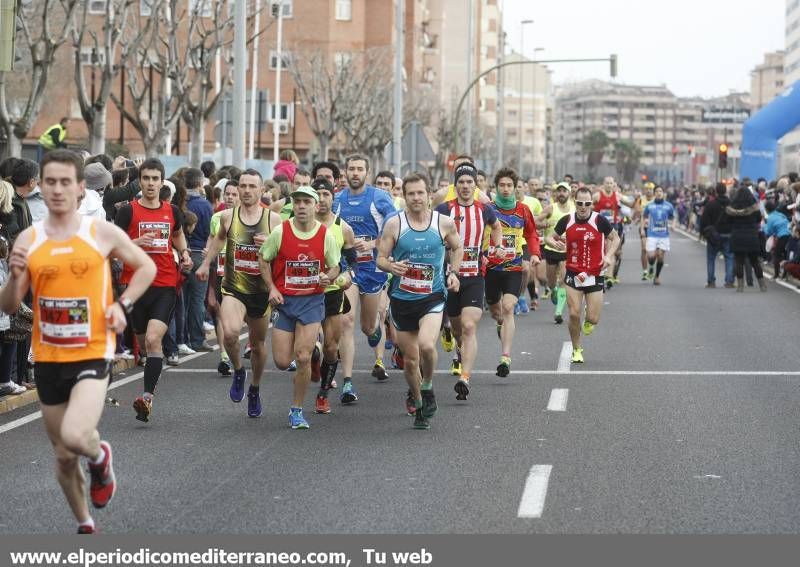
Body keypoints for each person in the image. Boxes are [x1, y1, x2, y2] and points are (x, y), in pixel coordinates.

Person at [0, 149, 156, 534]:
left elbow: (146, 266)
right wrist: (13, 276)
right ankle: (86, 522)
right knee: (64, 456)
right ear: (42, 187)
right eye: (49, 181)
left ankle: (100, 455)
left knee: (74, 435)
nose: (56, 189)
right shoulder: (29, 238)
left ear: (80, 188)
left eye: (64, 182)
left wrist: (123, 303)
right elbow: (9, 303)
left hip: (92, 349)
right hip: (49, 355)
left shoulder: (98, 232)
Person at [376, 173, 462, 429]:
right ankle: (416, 399)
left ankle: (427, 387)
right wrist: (392, 267)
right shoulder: (394, 224)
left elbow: (457, 248)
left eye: (420, 193)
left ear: (429, 194)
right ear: (404, 196)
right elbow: (380, 258)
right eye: (410, 193)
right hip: (402, 299)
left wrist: (454, 273)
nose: (415, 198)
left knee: (426, 345)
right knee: (411, 360)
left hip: (432, 296)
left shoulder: (443, 223)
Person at [196, 170, 282, 418]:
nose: (246, 190)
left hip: (261, 291)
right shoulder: (226, 216)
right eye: (242, 185)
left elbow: (284, 253)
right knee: (231, 334)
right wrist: (205, 264)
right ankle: (238, 370)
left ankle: (254, 387)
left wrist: (270, 244)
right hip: (234, 287)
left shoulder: (274, 220)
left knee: (257, 345)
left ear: (261, 190)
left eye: (251, 186)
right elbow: (219, 240)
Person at [115, 158, 192, 422]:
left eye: (155, 179)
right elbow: (115, 244)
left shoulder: (172, 211)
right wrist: (135, 241)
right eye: (146, 178)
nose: (150, 183)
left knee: (152, 339)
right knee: (142, 345)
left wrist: (184, 253)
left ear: (162, 181)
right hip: (135, 285)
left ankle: (147, 398)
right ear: (140, 181)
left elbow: (178, 234)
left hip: (165, 284)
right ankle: (149, 369)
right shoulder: (128, 211)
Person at [259, 185, 342, 429]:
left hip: (311, 302)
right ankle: (315, 355)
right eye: (298, 202)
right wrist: (271, 288)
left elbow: (335, 265)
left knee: (302, 357)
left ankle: (296, 410)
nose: (302, 206)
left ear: (316, 206)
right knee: (283, 362)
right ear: (293, 206)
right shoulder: (280, 232)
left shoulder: (325, 234)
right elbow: (263, 260)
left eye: (307, 202)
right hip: (285, 302)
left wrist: (329, 276)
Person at [435, 163, 503, 401]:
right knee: (457, 329)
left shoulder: (484, 210)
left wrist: (496, 246)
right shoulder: (444, 209)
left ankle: (464, 377)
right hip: (448, 276)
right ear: (456, 185)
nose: (465, 186)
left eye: (470, 183)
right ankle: (457, 346)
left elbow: (496, 227)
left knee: (470, 326)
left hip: (474, 275)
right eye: (461, 182)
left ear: (476, 186)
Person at [332, 154, 396, 405]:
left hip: (373, 269)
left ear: (367, 173)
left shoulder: (379, 198)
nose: (355, 173)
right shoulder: (337, 200)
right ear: (345, 172)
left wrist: (370, 243)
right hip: (349, 269)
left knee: (368, 327)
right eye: (351, 169)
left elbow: (394, 231)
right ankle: (347, 381)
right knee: (346, 320)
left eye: (360, 169)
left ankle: (376, 331)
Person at [546, 187, 620, 364]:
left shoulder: (599, 220)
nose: (583, 207)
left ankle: (589, 320)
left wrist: (608, 256)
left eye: (587, 204)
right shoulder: (567, 220)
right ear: (574, 201)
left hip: (594, 273)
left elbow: (615, 238)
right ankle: (577, 349)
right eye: (579, 203)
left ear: (591, 204)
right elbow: (549, 237)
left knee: (593, 319)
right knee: (573, 314)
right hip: (573, 273)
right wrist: (554, 243)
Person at [486, 167, 540, 378]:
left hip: (513, 267)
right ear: (496, 187)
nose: (506, 189)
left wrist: (534, 254)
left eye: (510, 185)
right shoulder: (487, 209)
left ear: (516, 188)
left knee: (509, 307)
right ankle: (500, 323)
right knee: (496, 312)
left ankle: (505, 357)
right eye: (502, 185)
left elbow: (532, 234)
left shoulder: (523, 210)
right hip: (490, 268)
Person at [311, 177, 357, 415]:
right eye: (316, 194)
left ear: (332, 198)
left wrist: (349, 275)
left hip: (332, 291)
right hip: (304, 293)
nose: (321, 199)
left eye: (325, 194)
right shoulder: (296, 225)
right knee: (305, 347)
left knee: (331, 347)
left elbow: (351, 261)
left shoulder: (343, 228)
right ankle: (311, 359)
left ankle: (323, 393)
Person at [206, 180, 240, 376]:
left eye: (234, 194)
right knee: (220, 313)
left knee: (238, 317)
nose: (230, 197)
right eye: (227, 193)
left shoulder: (248, 218)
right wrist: (208, 251)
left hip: (241, 274)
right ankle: (224, 356)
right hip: (220, 272)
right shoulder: (217, 217)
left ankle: (243, 347)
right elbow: (212, 240)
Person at [182, 168, 214, 352]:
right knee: (197, 300)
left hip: (183, 254)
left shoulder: (181, 202)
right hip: (200, 254)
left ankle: (182, 338)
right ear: (200, 183)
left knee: (182, 301)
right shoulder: (205, 205)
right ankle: (196, 339)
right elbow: (212, 232)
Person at [539, 182, 575, 324]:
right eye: (559, 191)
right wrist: (545, 224)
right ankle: (552, 290)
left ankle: (558, 311)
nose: (561, 193)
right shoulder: (550, 208)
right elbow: (536, 222)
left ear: (569, 193)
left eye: (564, 191)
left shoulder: (574, 208)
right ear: (555, 194)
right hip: (551, 248)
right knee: (552, 281)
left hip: (568, 249)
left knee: (564, 279)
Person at [593, 176, 634, 287]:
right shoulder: (597, 196)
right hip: (597, 227)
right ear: (603, 184)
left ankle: (609, 277)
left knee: (610, 251)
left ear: (613, 184)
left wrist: (636, 200)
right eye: (607, 183)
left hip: (612, 227)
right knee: (599, 251)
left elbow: (631, 204)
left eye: (611, 183)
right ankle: (598, 273)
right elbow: (587, 207)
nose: (609, 185)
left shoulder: (617, 196)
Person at [726, 184, 767, 292]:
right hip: (751, 236)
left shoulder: (732, 207)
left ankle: (740, 286)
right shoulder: (754, 206)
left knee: (739, 261)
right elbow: (759, 219)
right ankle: (762, 285)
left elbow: (728, 221)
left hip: (737, 236)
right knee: (755, 261)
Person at [641, 186, 676, 285]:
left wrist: (673, 225)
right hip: (652, 234)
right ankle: (651, 265)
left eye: (660, 191)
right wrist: (643, 229)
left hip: (664, 235)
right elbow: (644, 217)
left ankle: (656, 277)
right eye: (657, 191)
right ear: (654, 193)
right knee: (651, 257)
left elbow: (673, 217)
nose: (659, 193)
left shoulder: (668, 206)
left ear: (663, 193)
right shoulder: (650, 206)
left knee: (660, 256)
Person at [764, 200, 791, 278]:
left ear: (767, 209)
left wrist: (764, 227)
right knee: (786, 255)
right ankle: (785, 274)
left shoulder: (770, 218)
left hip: (781, 236)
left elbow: (768, 231)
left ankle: (776, 274)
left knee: (776, 254)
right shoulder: (781, 214)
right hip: (789, 234)